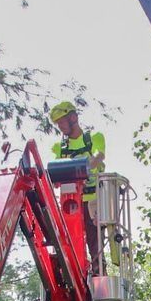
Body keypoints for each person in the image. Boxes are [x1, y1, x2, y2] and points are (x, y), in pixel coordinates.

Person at [48, 100, 106, 276]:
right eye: (58, 123)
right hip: (71, 204)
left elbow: (99, 156)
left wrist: (84, 169)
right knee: (70, 244)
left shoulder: (93, 138)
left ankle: (99, 276)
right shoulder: (60, 147)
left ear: (73, 117)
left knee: (94, 243)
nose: (61, 126)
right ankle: (73, 279)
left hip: (92, 200)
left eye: (63, 121)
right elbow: (55, 172)